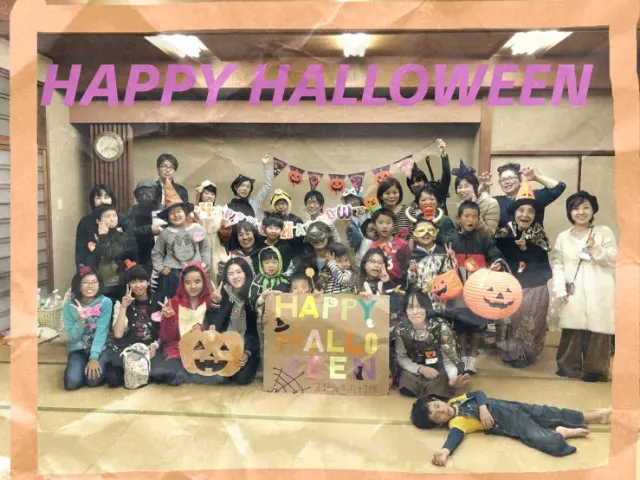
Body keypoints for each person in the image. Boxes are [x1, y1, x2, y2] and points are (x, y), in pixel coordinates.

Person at [410, 391, 612, 466]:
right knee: (538, 437)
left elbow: (479, 393)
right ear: (438, 423)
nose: (442, 410)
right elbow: (454, 437)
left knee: (549, 412)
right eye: (438, 416)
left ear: (436, 399)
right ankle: (560, 433)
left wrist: (483, 408)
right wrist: (445, 451)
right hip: (508, 422)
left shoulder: (456, 399)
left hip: (511, 405)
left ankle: (595, 416)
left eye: (437, 405)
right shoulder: (456, 423)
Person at [551, 191, 617, 382]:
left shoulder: (603, 232)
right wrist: (560, 288)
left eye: (586, 207)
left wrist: (595, 247)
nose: (581, 212)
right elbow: (557, 264)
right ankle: (567, 367)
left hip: (599, 287)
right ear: (570, 212)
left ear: (593, 210)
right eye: (575, 208)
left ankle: (595, 370)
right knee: (572, 328)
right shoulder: (563, 237)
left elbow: (613, 258)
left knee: (599, 330)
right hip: (573, 288)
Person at [495, 179, 553, 368]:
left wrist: (526, 248)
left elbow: (542, 260)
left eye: (530, 211)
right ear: (514, 212)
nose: (525, 215)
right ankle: (508, 352)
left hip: (535, 283)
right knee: (508, 321)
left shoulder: (539, 233)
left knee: (532, 319)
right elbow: (498, 255)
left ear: (535, 214)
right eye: (521, 210)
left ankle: (527, 354)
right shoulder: (503, 232)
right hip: (511, 283)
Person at [444, 201, 504, 375]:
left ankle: (472, 359)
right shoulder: (450, 239)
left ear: (478, 220)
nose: (470, 220)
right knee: (460, 324)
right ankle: (462, 357)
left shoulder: (484, 240)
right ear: (459, 219)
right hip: (458, 288)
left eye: (474, 217)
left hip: (478, 288)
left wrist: (496, 263)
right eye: (466, 216)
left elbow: (495, 256)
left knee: (477, 325)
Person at [395, 291, 469, 398]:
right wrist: (421, 369)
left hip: (439, 370)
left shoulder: (441, 327)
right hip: (416, 370)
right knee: (407, 382)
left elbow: (449, 360)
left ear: (427, 307)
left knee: (438, 388)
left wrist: (452, 378)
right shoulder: (401, 329)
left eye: (420, 307)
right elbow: (402, 358)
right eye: (410, 307)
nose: (415, 312)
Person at [205, 257, 261, 385]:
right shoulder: (222, 294)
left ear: (246, 273)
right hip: (225, 347)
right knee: (219, 378)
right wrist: (216, 304)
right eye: (230, 273)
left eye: (239, 272)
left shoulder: (254, 295)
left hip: (246, 347)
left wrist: (247, 353)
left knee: (242, 378)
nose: (235, 277)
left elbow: (255, 332)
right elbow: (213, 327)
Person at [104, 264, 162, 387]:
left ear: (148, 282)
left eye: (141, 281)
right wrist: (124, 307)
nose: (138, 285)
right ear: (128, 284)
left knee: (161, 375)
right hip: (128, 348)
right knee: (113, 379)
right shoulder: (121, 302)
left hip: (151, 347)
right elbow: (118, 334)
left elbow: (166, 331)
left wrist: (156, 344)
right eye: (133, 282)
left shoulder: (159, 300)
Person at [151, 186, 211, 304]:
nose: (176, 215)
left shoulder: (197, 228)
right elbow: (156, 252)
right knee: (174, 303)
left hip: (195, 271)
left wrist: (205, 265)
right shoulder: (165, 233)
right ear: (168, 217)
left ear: (185, 212)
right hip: (172, 274)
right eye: (172, 213)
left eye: (179, 211)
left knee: (194, 303)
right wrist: (160, 268)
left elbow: (205, 249)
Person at [157, 263, 213, 386]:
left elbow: (217, 330)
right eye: (188, 282)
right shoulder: (173, 303)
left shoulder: (210, 301)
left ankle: (189, 372)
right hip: (177, 351)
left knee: (218, 375)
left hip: (202, 351)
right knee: (171, 375)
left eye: (197, 281)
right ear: (182, 284)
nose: (193, 286)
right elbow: (167, 338)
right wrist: (169, 319)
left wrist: (202, 330)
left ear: (204, 281)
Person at [63, 266, 112, 390]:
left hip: (101, 349)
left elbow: (101, 332)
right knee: (71, 383)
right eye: (85, 282)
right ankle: (79, 367)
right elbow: (72, 338)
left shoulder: (105, 302)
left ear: (99, 284)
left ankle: (99, 365)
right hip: (78, 350)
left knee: (93, 381)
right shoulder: (69, 307)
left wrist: (94, 357)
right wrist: (81, 320)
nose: (90, 286)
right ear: (78, 285)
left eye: (94, 282)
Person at [479, 163, 566, 228]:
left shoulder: (534, 196)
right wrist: (482, 187)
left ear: (520, 181)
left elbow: (559, 187)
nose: (507, 182)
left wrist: (535, 177)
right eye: (503, 180)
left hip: (533, 246)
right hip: (503, 247)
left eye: (510, 178)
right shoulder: (496, 202)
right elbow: (473, 204)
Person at [85, 204, 138, 303]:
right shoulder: (93, 237)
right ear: (98, 220)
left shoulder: (123, 236)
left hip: (120, 281)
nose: (112, 219)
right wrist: (102, 237)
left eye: (114, 215)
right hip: (101, 283)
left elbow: (113, 255)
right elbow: (93, 261)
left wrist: (103, 238)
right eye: (107, 216)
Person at [407, 220, 455, 311]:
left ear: (435, 235)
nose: (426, 234)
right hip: (422, 303)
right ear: (415, 237)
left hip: (443, 302)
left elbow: (451, 277)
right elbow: (410, 283)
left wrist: (452, 261)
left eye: (430, 230)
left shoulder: (444, 254)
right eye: (421, 230)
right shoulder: (412, 256)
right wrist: (413, 272)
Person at [75, 184, 124, 268]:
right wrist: (82, 271)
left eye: (106, 197)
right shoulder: (85, 222)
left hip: (118, 268)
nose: (102, 201)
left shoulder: (121, 219)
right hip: (92, 268)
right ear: (93, 201)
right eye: (98, 198)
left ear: (112, 200)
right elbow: (80, 252)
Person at [453, 161, 499, 238]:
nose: (462, 190)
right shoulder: (461, 204)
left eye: (466, 186)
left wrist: (474, 212)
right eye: (459, 187)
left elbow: (490, 234)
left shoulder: (491, 203)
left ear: (475, 186)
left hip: (482, 244)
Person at [124, 180, 163, 268]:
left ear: (157, 193)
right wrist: (149, 229)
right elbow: (128, 230)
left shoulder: (163, 209)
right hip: (139, 250)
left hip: (159, 251)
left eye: (150, 192)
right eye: (141, 193)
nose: (145, 196)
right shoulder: (133, 210)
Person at [368, 208, 410, 286]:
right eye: (380, 222)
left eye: (388, 223)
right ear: (374, 226)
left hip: (400, 285)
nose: (384, 226)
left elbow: (407, 265)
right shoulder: (373, 247)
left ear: (393, 225)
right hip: (380, 285)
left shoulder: (402, 243)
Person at [227, 154, 273, 221]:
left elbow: (267, 185)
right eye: (242, 185)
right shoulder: (229, 207)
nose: (245, 189)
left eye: (248, 187)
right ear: (235, 187)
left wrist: (266, 165)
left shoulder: (255, 202)